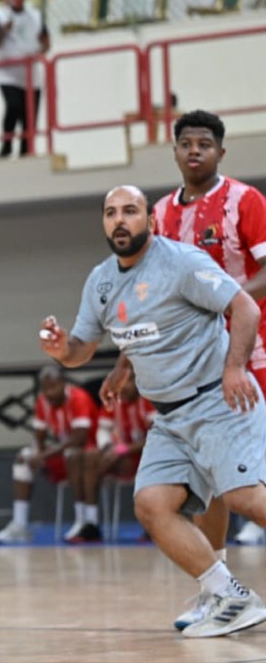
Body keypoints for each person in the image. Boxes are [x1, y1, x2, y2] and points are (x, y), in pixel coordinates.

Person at [40, 184, 266, 638]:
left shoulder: (181, 262)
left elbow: (245, 308)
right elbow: (85, 346)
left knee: (243, 497)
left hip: (216, 399)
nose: (119, 220)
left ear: (151, 220)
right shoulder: (101, 281)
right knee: (152, 504)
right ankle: (227, 596)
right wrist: (63, 349)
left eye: (130, 211)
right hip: (169, 416)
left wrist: (234, 367)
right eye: (110, 213)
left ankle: (226, 596)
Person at [100, 109, 266, 628]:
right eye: (186, 143)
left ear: (220, 152)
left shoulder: (245, 200)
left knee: (243, 488)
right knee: (209, 483)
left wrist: (222, 302)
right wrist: (126, 361)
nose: (195, 151)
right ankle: (221, 590)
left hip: (247, 354)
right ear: (174, 151)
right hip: (190, 363)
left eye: (205, 144)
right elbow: (144, 301)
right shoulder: (159, 213)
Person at [0, 364, 98, 544]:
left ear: (63, 383)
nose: (49, 393)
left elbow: (79, 438)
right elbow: (39, 436)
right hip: (62, 454)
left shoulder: (79, 397)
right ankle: (19, 525)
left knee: (73, 454)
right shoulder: (42, 401)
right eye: (45, 389)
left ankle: (82, 521)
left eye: (53, 387)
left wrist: (44, 455)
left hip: (88, 456)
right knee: (23, 458)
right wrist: (35, 454)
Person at [77, 375, 155, 544]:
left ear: (138, 381)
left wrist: (123, 450)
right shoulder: (114, 400)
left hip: (149, 457)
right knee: (91, 457)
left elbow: (156, 436)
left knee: (148, 463)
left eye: (128, 382)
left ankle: (152, 524)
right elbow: (103, 430)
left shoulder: (149, 399)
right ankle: (91, 523)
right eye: (122, 382)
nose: (124, 387)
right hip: (122, 458)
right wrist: (108, 449)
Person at [0, 0, 48, 158]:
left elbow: (45, 41)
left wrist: (38, 52)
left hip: (30, 73)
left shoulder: (34, 15)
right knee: (13, 106)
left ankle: (26, 151)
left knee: (30, 116)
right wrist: (4, 29)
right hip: (7, 73)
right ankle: (6, 146)